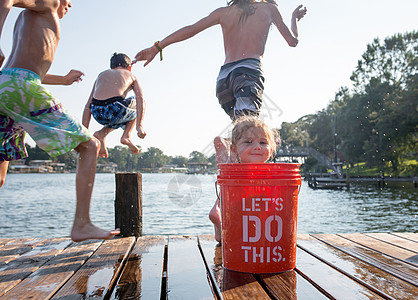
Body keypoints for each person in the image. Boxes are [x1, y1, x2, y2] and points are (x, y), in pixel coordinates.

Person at [0, 0, 119, 242]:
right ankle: (82, 224)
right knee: (90, 146)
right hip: (20, 86)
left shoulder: (30, 17)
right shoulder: (50, 2)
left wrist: (64, 80)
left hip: (6, 85)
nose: (71, 5)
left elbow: (28, 69)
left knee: (1, 174)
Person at [134, 0, 307, 120]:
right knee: (247, 129)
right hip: (247, 73)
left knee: (241, 131)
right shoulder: (269, 9)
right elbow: (293, 41)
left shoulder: (223, 13)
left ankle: (230, 157)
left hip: (224, 80)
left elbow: (191, 30)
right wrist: (294, 19)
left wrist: (157, 48)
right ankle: (229, 154)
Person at [209, 116, 279, 242]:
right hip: (238, 207)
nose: (257, 147)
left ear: (272, 149)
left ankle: (217, 210)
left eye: (263, 143)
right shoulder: (271, 173)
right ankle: (219, 213)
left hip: (243, 206)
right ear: (234, 149)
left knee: (228, 170)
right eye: (249, 142)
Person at [82, 53, 147, 158]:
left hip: (97, 112)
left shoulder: (101, 75)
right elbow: (141, 99)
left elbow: (88, 104)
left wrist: (84, 131)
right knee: (134, 103)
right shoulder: (131, 76)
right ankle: (126, 136)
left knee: (119, 116)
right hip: (115, 108)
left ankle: (101, 134)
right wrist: (139, 126)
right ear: (130, 67)